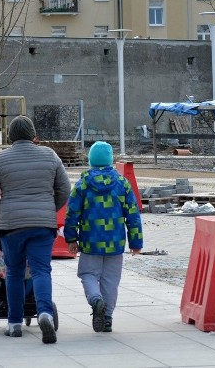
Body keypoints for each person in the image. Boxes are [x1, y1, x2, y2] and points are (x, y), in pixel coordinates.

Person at [0, 116, 71, 344]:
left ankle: (14, 323)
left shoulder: (0, 159)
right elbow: (65, 188)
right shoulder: (50, 155)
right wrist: (50, 209)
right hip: (42, 225)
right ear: (33, 134)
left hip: (11, 226)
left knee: (14, 271)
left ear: (10, 136)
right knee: (42, 270)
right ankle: (44, 314)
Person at [64, 141, 143, 334]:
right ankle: (107, 318)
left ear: (90, 160)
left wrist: (71, 238)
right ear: (111, 161)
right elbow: (133, 215)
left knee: (88, 274)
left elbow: (71, 212)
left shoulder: (83, 184)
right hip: (115, 242)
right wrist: (136, 242)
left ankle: (95, 300)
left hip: (91, 241)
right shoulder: (122, 183)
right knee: (111, 281)